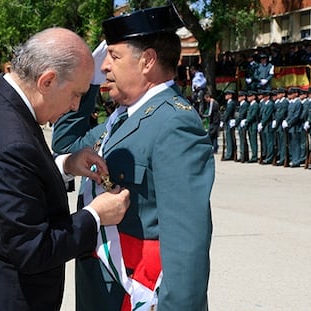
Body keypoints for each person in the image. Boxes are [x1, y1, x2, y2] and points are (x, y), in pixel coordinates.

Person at [52, 5, 214, 311]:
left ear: (147, 61)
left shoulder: (173, 124)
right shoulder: (122, 121)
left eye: (113, 57)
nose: (105, 68)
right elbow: (65, 146)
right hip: (101, 290)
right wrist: (84, 86)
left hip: (135, 295)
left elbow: (186, 241)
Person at [0, 27, 130, 311]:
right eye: (75, 94)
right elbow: (33, 249)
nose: (75, 107)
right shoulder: (11, 141)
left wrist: (64, 164)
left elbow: (1, 181)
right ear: (47, 81)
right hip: (2, 298)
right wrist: (96, 216)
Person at [282, 87, 302, 167]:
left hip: (295, 126)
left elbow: (296, 116)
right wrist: (286, 121)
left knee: (296, 144)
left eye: (291, 94)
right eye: (288, 94)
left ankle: (296, 160)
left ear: (296, 94)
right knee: (292, 144)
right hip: (290, 127)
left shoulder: (298, 103)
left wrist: (289, 123)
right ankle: (293, 159)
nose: (289, 95)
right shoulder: (291, 103)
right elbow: (289, 115)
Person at [220, 90, 237, 160]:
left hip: (229, 122)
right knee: (228, 139)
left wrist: (223, 120)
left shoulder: (231, 103)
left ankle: (229, 155)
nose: (225, 96)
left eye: (227, 94)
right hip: (228, 122)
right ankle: (230, 154)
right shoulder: (229, 103)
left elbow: (227, 113)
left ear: (230, 96)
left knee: (229, 139)